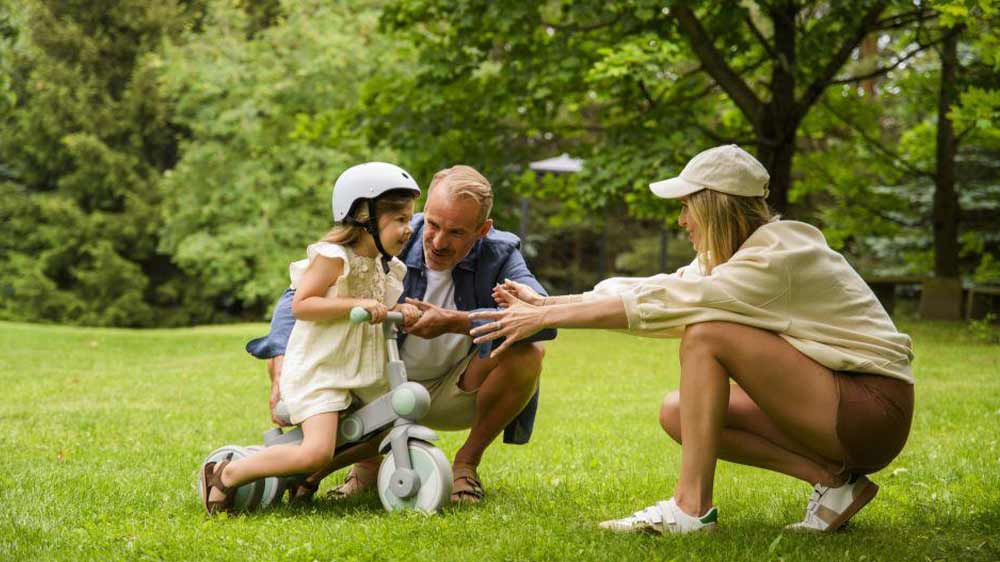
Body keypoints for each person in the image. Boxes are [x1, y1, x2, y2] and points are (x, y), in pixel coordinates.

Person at [470, 145, 914, 533]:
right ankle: (835, 483)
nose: (682, 220)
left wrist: (550, 317)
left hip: (871, 412)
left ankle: (690, 508)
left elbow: (670, 301)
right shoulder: (736, 258)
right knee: (678, 412)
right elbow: (657, 286)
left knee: (706, 335)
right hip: (838, 407)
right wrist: (547, 306)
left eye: (687, 206)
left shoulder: (777, 256)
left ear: (715, 206)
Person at [245, 164, 555, 503]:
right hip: (377, 382)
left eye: (456, 232)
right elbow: (297, 297)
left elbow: (543, 317)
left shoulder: (500, 254)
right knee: (337, 396)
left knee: (528, 354)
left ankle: (465, 464)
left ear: (482, 230)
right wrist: (280, 364)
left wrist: (454, 321)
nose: (437, 241)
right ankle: (363, 467)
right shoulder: (389, 236)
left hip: (458, 386)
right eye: (433, 224)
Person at [201, 162, 422, 514]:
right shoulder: (333, 258)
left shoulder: (388, 266)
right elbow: (302, 305)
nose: (409, 229)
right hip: (322, 370)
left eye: (409, 219)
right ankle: (228, 474)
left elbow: (382, 308)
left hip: (361, 370)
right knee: (316, 449)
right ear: (364, 216)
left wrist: (407, 311)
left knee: (384, 428)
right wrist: (358, 303)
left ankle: (307, 478)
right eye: (400, 220)